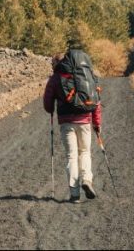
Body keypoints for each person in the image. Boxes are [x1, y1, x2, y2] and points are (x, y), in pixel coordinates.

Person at [43, 44, 102, 202]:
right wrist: (97, 123)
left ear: (56, 63)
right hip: (84, 120)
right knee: (85, 152)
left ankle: (74, 194)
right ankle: (87, 180)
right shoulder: (85, 73)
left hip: (66, 122)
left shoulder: (55, 78)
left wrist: (51, 109)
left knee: (71, 156)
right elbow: (96, 100)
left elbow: (48, 103)